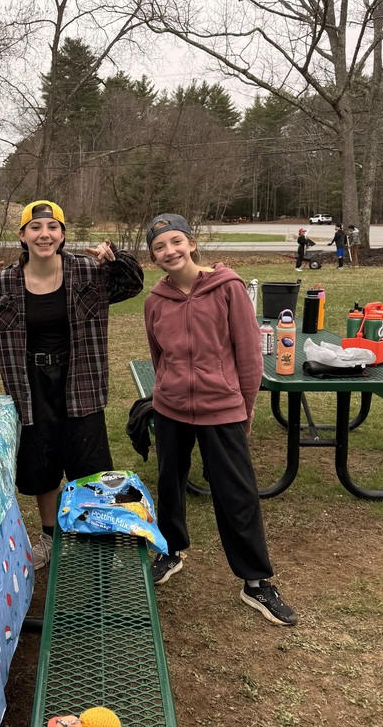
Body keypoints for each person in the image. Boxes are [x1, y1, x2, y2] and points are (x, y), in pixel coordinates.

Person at [0, 200, 144, 570]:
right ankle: (50, 538)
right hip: (29, 384)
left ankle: (95, 539)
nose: (44, 234)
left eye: (53, 227)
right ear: (22, 236)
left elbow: (133, 283)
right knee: (42, 466)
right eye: (35, 228)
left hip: (79, 379)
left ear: (63, 235)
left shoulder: (89, 272)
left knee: (90, 464)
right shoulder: (4, 281)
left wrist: (115, 257)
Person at [143, 213, 297, 626]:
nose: (169, 251)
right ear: (154, 256)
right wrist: (167, 392)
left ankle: (256, 582)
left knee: (237, 494)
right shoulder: (155, 302)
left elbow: (249, 358)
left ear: (191, 243)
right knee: (169, 485)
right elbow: (159, 358)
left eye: (176, 242)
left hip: (222, 409)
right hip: (171, 408)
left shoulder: (228, 288)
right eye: (159, 247)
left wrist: (243, 410)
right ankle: (171, 550)